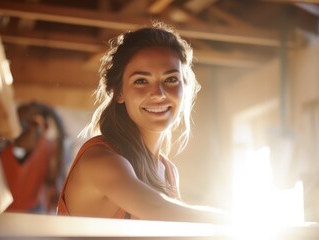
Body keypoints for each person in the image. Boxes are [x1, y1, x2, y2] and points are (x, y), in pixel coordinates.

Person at [57, 22, 229, 223]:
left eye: (171, 79)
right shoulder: (102, 160)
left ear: (185, 88)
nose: (158, 94)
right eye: (141, 81)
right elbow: (156, 207)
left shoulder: (168, 171)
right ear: (119, 92)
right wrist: (244, 225)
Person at [0, 102, 67, 214]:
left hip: (31, 209)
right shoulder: (3, 146)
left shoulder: (50, 149)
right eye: (19, 124)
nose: (20, 131)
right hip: (3, 210)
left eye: (25, 125)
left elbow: (54, 181)